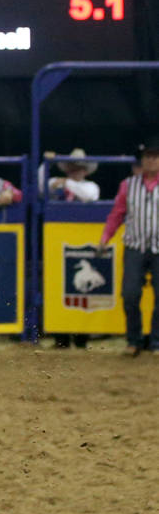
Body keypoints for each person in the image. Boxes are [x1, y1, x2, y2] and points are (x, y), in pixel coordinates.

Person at [98, 137, 159, 354]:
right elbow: (117, 214)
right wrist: (106, 237)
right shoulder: (128, 185)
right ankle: (134, 340)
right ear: (142, 160)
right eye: (147, 157)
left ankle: (156, 342)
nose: (151, 161)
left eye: (155, 157)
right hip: (134, 245)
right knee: (130, 294)